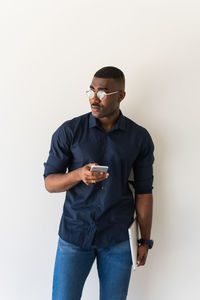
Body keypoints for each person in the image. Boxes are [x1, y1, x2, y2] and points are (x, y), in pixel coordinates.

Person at [43, 66, 155, 300]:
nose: (94, 98)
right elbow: (50, 183)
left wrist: (145, 240)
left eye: (103, 93)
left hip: (117, 239)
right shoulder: (69, 131)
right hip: (75, 234)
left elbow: (144, 192)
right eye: (91, 91)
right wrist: (77, 175)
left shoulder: (139, 137)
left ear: (121, 96)